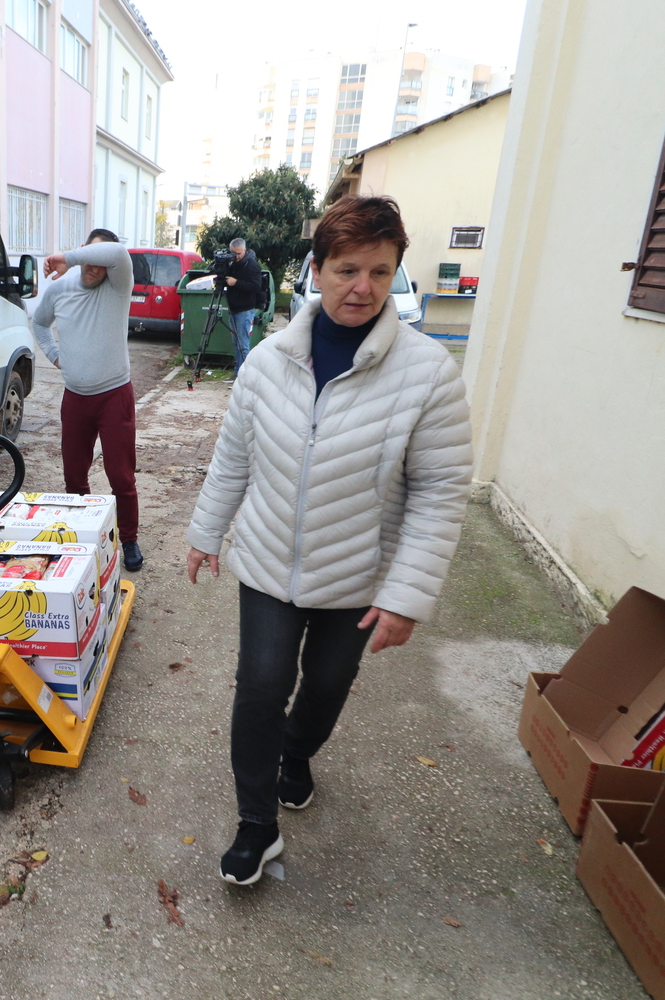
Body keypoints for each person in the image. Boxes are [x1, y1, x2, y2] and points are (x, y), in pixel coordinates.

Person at [185, 196, 473, 885]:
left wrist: (407, 595)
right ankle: (256, 824)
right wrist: (206, 532)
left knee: (326, 686)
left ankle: (297, 752)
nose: (362, 287)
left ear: (395, 272)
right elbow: (235, 456)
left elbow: (440, 489)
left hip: (357, 572)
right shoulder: (268, 362)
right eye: (347, 270)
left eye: (380, 271)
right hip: (268, 562)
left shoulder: (428, 373)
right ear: (316, 271)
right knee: (260, 686)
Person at [33, 229, 144, 572]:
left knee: (120, 476)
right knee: (74, 476)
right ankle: (81, 535)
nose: (93, 267)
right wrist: (55, 356)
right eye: (88, 258)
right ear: (82, 251)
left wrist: (68, 258)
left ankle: (129, 538)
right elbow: (39, 323)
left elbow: (118, 255)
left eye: (98, 261)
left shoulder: (118, 285)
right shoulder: (60, 289)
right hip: (76, 399)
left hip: (114, 396)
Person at [221, 238, 263, 375]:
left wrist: (236, 282)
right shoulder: (232, 264)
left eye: (239, 253)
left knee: (243, 344)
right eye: (233, 253)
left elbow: (256, 286)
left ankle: (246, 373)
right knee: (236, 343)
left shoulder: (252, 265)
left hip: (245, 310)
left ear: (245, 250)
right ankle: (238, 371)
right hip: (233, 308)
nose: (236, 256)